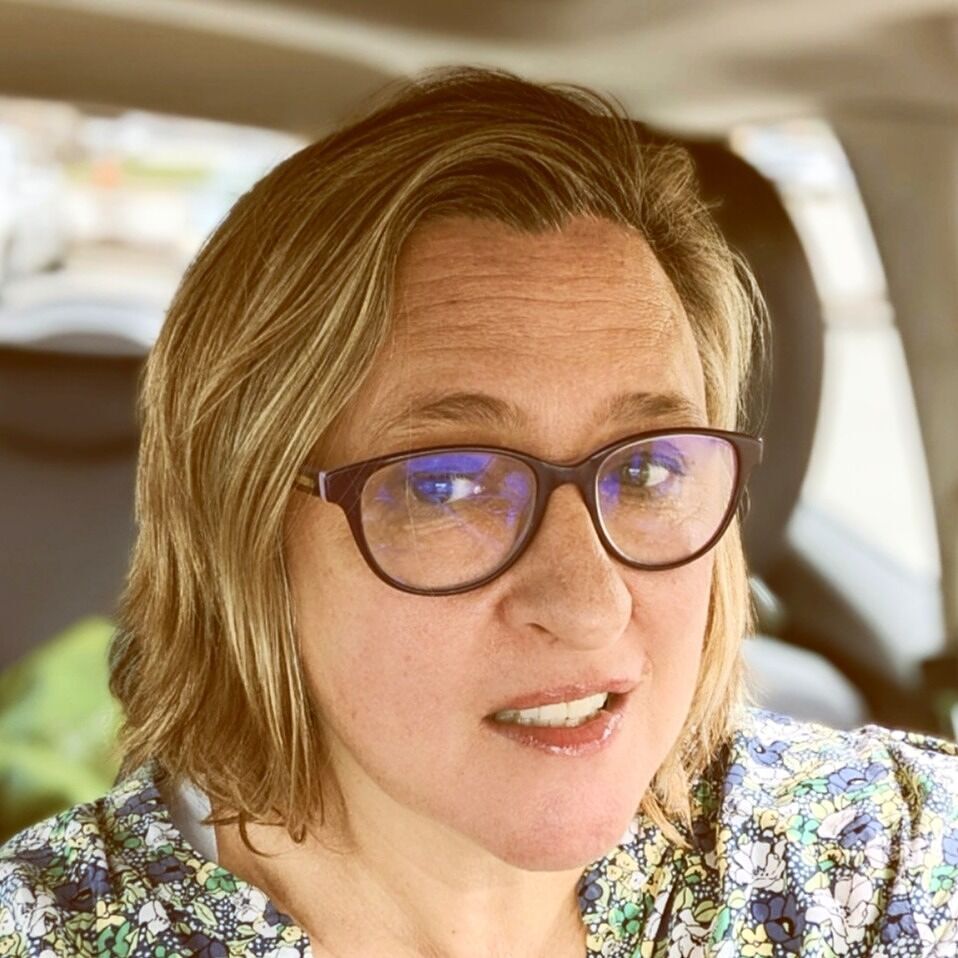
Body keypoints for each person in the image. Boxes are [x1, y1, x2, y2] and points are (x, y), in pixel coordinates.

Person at [1, 67, 957, 958]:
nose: (589, 606)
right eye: (444, 486)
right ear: (242, 526)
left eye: (647, 469)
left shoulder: (882, 865)